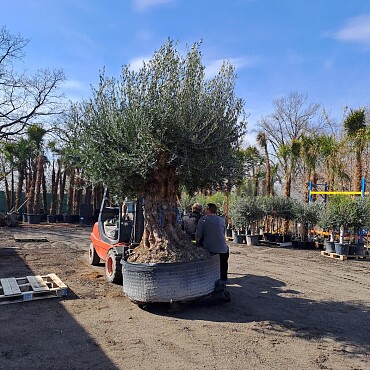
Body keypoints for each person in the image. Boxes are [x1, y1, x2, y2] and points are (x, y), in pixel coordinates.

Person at [195, 203, 229, 282]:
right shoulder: (221, 220)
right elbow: (223, 233)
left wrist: (197, 243)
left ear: (207, 210)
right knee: (223, 265)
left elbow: (198, 235)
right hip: (223, 249)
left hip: (210, 249)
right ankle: (224, 280)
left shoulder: (203, 219)